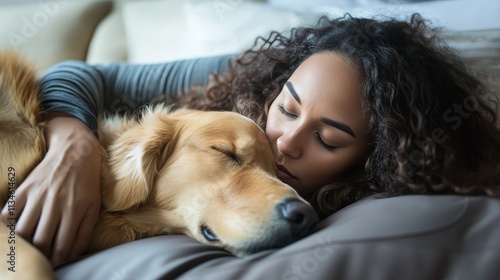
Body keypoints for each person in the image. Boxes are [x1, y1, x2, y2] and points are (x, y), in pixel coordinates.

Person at [2, 13, 500, 267]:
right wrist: (74, 147)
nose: (282, 141)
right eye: (285, 108)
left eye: (327, 140)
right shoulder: (247, 85)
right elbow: (82, 76)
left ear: (378, 161)